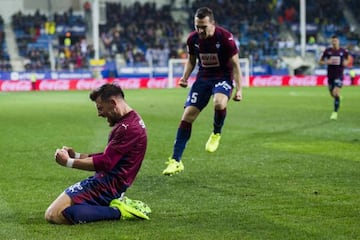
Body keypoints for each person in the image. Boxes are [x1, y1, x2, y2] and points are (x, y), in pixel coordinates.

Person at [45, 83, 151, 224]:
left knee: (54, 214)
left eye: (100, 108)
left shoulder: (127, 128)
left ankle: (119, 211)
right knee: (66, 210)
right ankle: (111, 206)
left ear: (113, 103)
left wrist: (67, 162)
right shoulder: (131, 120)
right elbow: (111, 155)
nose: (99, 113)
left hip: (107, 186)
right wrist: (76, 155)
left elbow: (106, 162)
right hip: (109, 182)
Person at [162, 7, 243, 176]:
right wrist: (185, 77)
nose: (200, 30)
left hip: (223, 77)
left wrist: (239, 89)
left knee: (219, 102)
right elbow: (191, 60)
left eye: (204, 27)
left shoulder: (225, 38)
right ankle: (176, 161)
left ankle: (216, 133)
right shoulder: (192, 39)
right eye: (197, 26)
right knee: (187, 116)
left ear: (212, 24)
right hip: (203, 78)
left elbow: (235, 65)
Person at [319, 35, 349, 120]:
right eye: (333, 41)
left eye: (335, 41)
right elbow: (320, 61)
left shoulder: (343, 51)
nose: (334, 42)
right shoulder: (328, 51)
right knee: (333, 94)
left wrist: (346, 63)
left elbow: (348, 59)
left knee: (336, 92)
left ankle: (335, 112)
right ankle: (339, 98)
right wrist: (326, 62)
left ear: (338, 41)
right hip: (330, 76)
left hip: (339, 75)